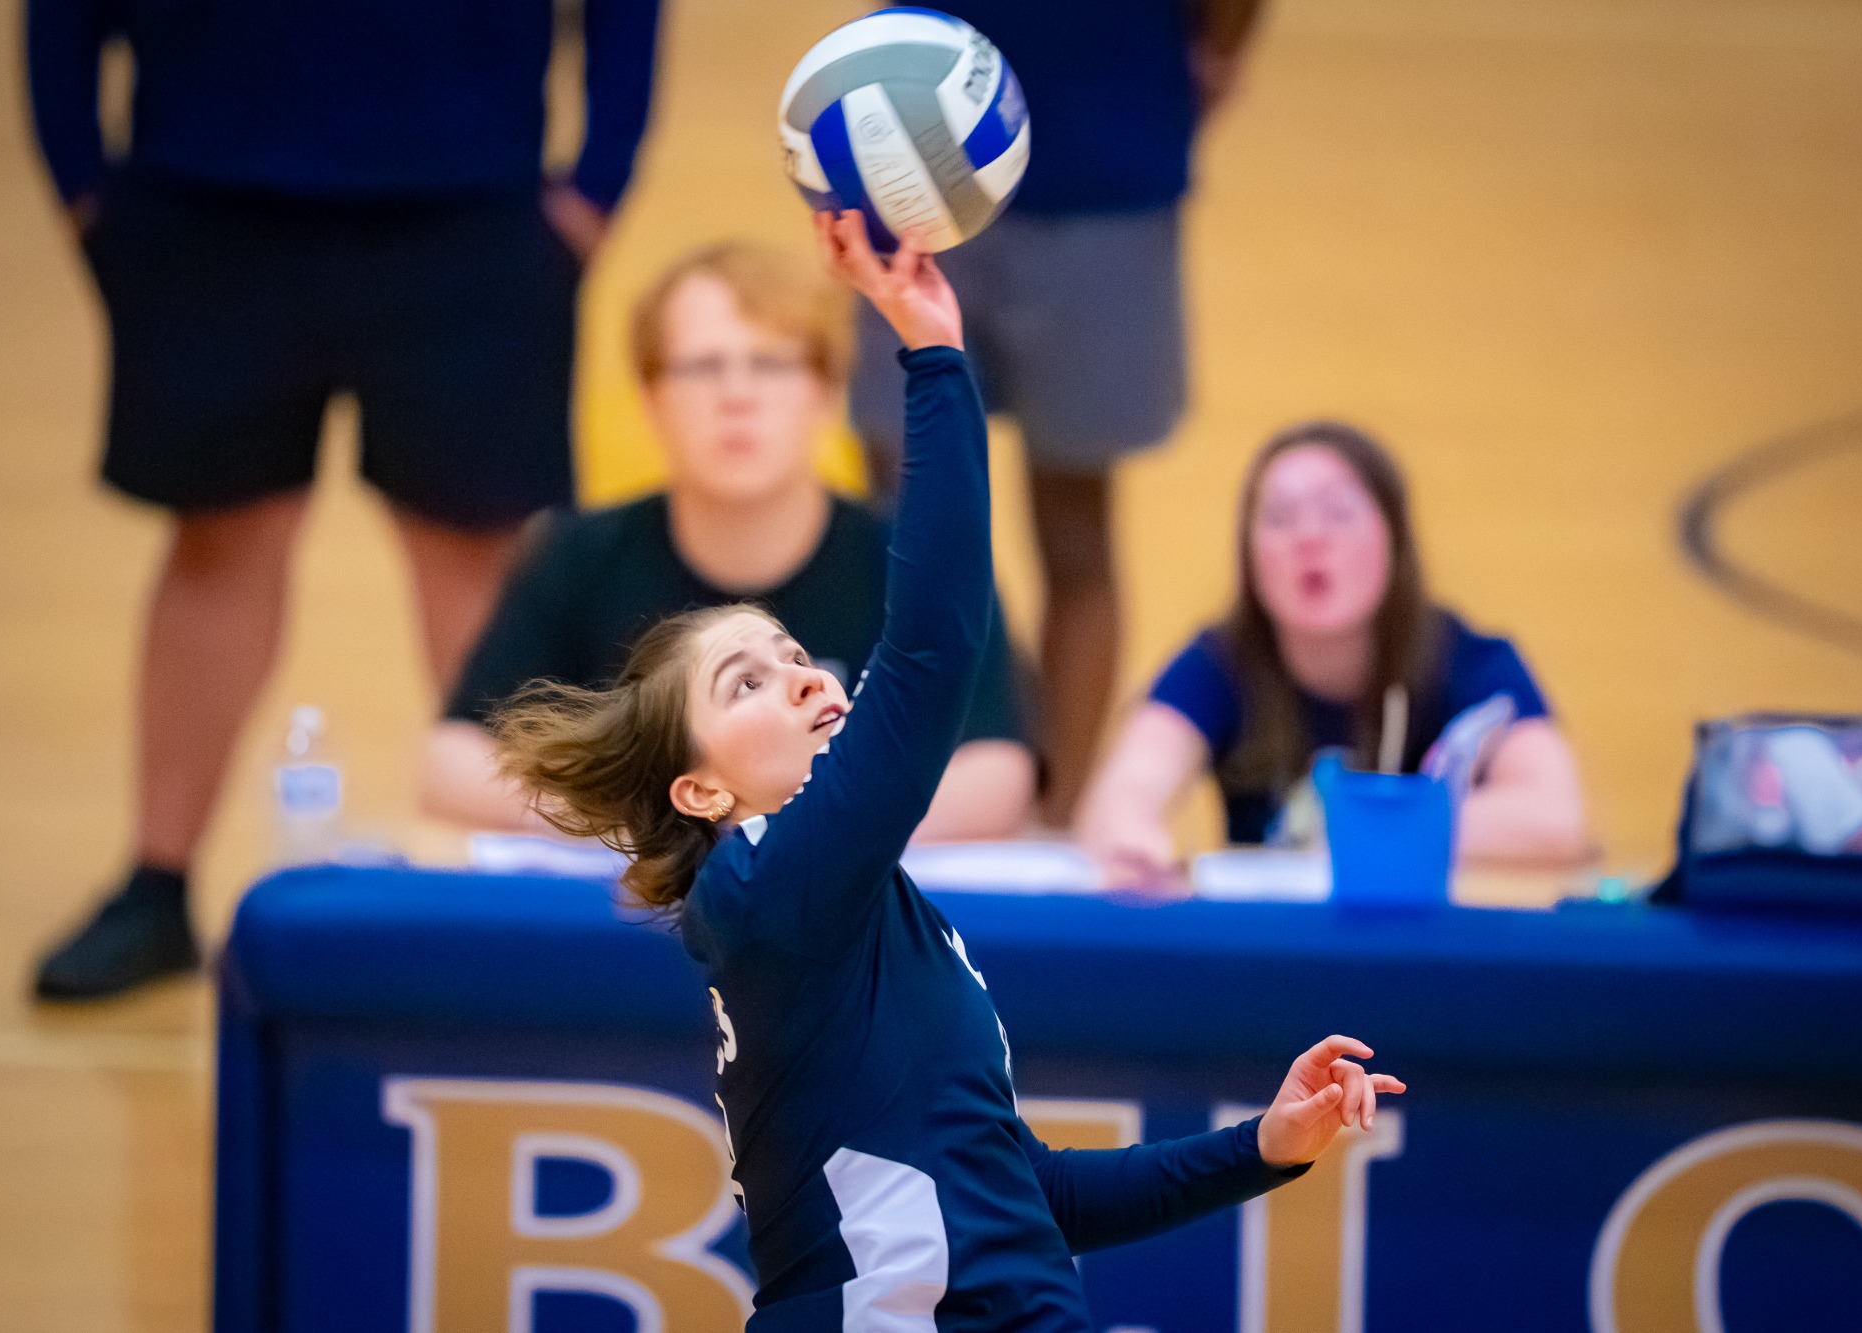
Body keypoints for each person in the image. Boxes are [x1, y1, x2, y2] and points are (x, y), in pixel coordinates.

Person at [492, 212, 1403, 1327]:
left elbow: (1028, 1196)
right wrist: (930, 353)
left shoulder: (860, 912)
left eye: (792, 655)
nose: (799, 679)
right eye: (744, 683)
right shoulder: (767, 891)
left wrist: (1262, 1145)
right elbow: (928, 649)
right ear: (702, 792)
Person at [25, 0, 663, 998]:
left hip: (470, 202)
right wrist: (78, 177)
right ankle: (155, 885)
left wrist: (597, 179)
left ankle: (533, 889)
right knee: (222, 535)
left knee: (471, 546)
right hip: (206, 196)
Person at [424, 241, 1035, 844]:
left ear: (825, 394)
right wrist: (650, 825)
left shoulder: (921, 565)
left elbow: (996, 775)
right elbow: (450, 760)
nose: (737, 396)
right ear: (651, 399)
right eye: (702, 367)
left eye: (770, 364)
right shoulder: (576, 555)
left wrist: (796, 837)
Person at [849, 0, 1265, 827]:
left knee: (1074, 524)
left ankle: (1059, 820)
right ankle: (913, 792)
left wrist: (1214, 52)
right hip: (915, 151)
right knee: (897, 522)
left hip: (1103, 167)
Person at [1078, 421, 1591, 887]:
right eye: (1279, 517)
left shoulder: (1469, 661)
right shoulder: (1220, 662)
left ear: (1395, 537)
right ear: (1248, 555)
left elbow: (1555, 819)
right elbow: (1129, 786)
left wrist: (1369, 832)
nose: (1310, 537)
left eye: (1339, 512)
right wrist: (1134, 836)